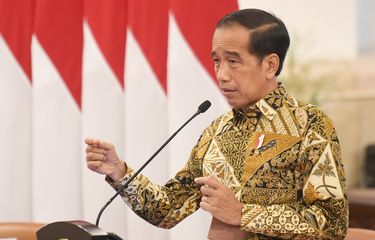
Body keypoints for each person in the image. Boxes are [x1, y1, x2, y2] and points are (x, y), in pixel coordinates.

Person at [85, 8, 348, 240]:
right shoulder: (217, 131)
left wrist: (243, 214)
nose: (221, 75)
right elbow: (168, 209)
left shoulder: (308, 124)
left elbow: (332, 224)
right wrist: (119, 172)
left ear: (270, 65)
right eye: (217, 61)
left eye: (233, 61)